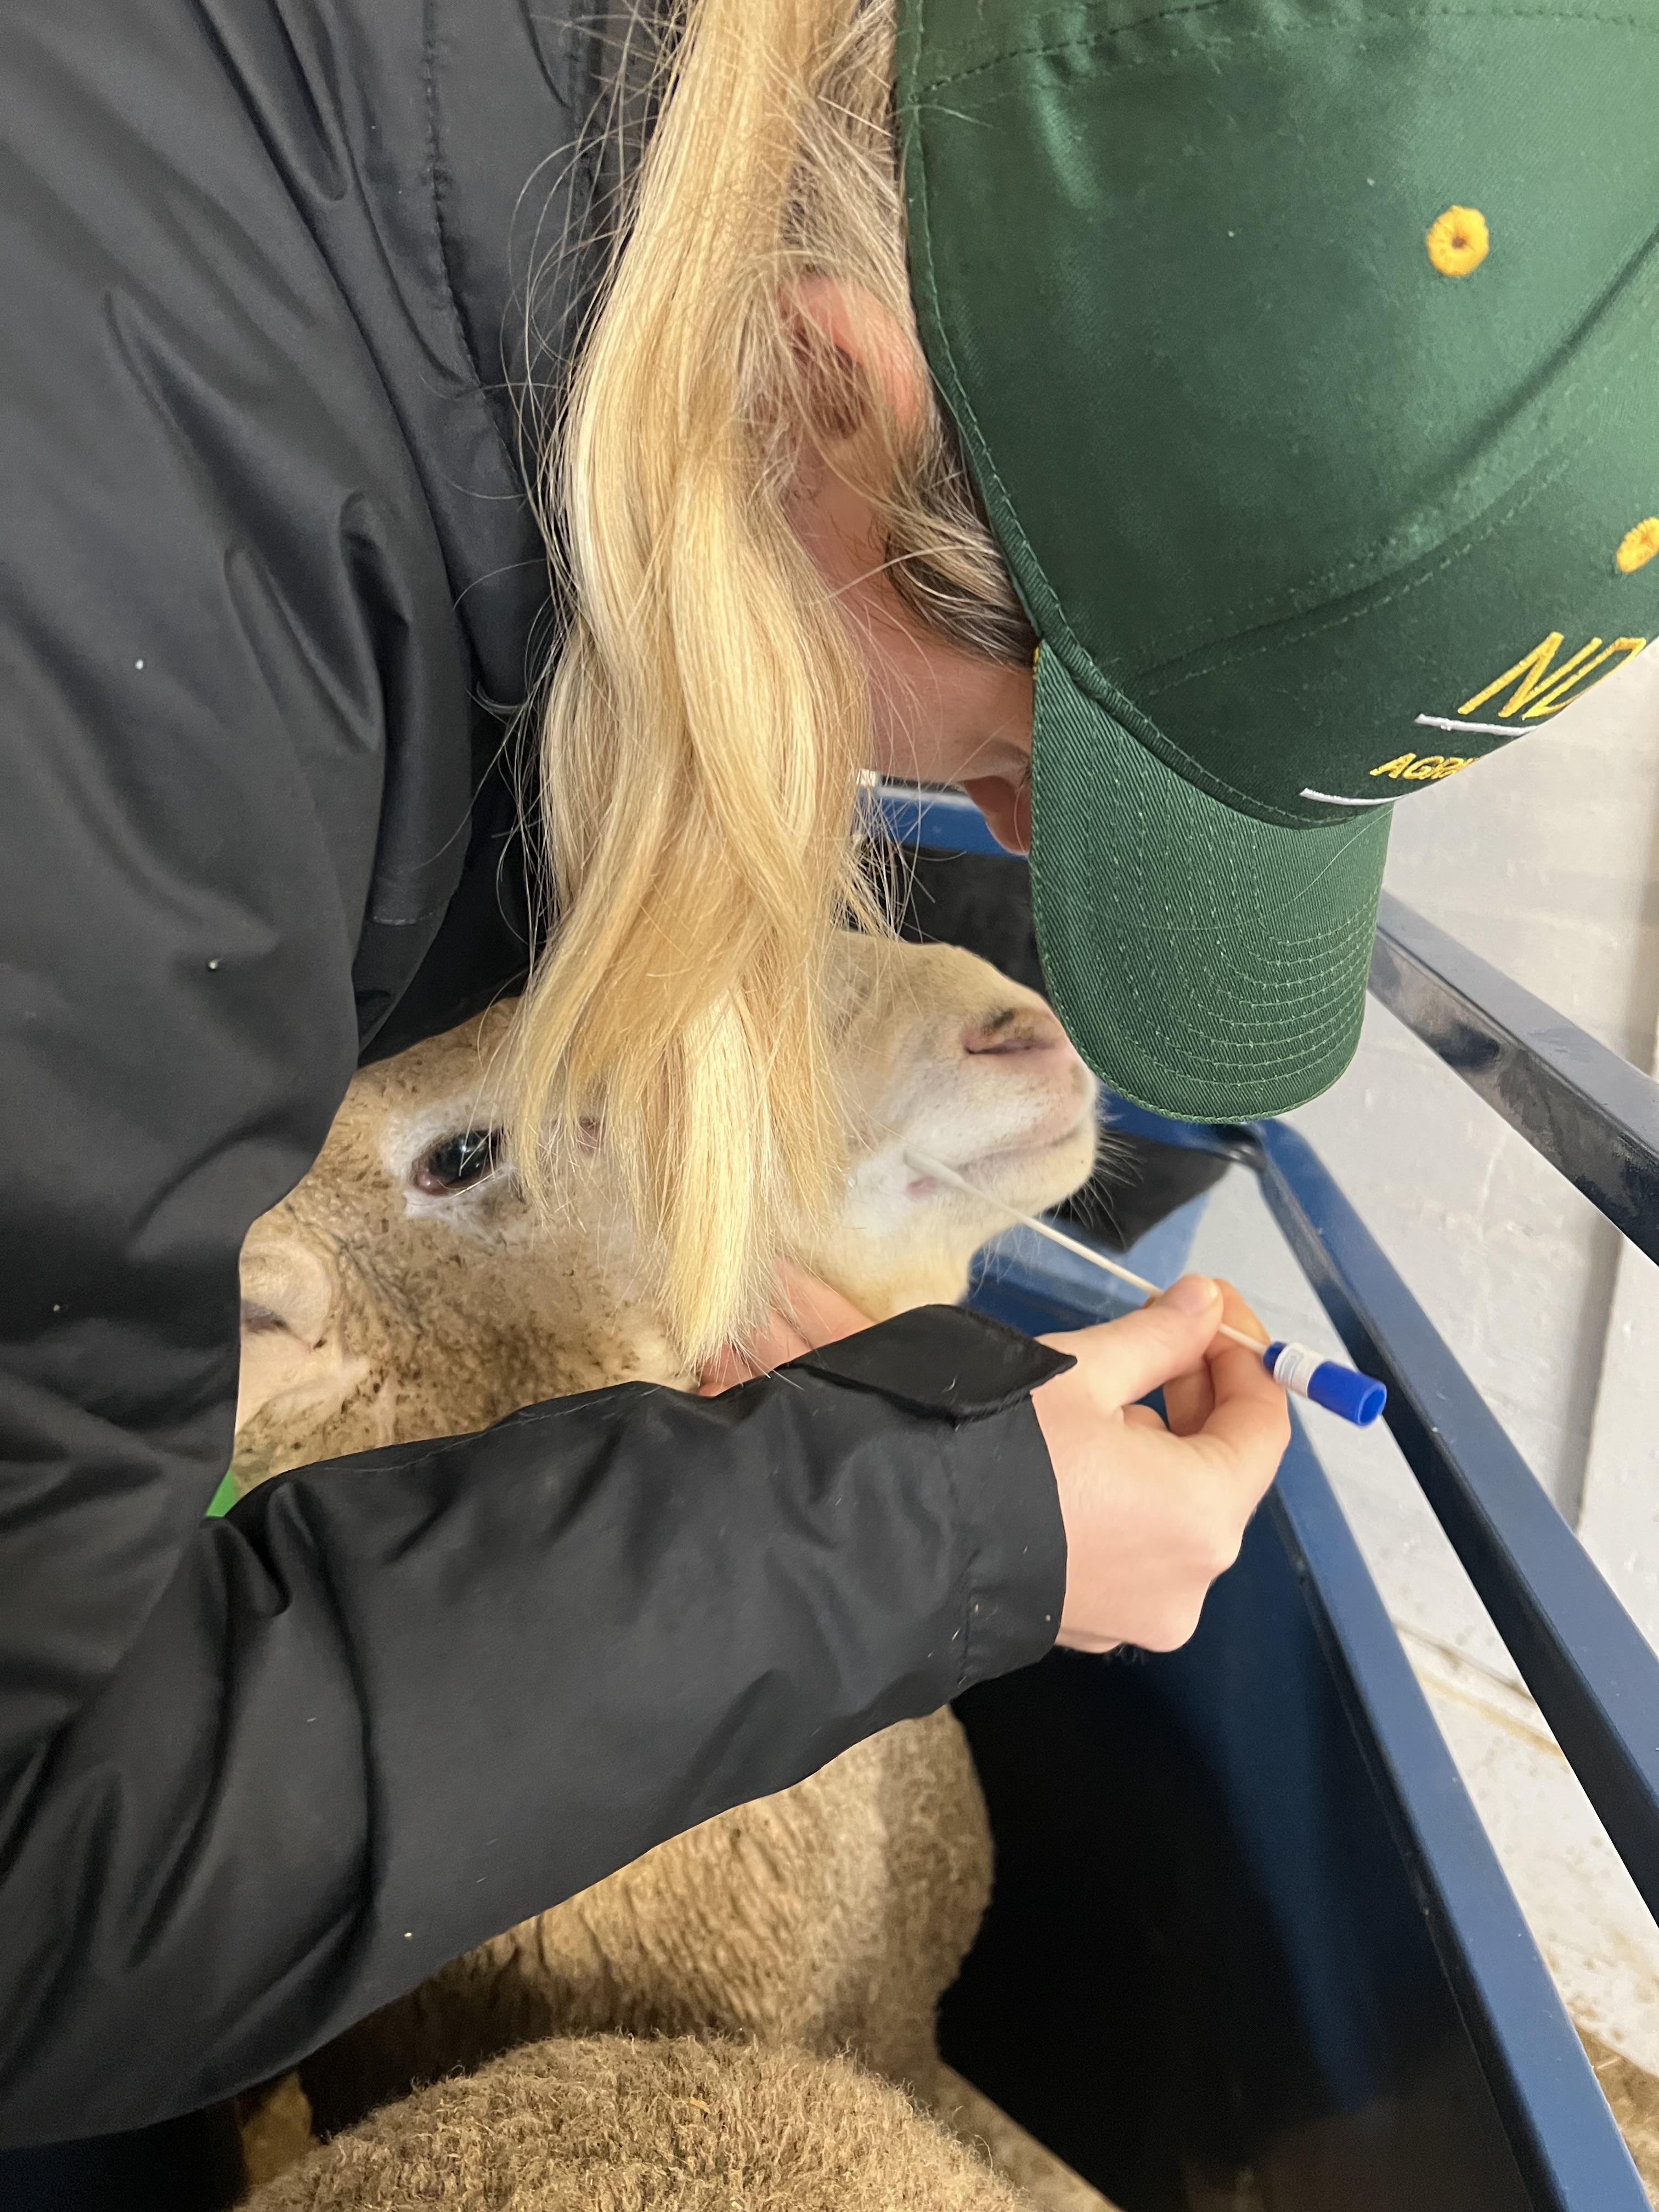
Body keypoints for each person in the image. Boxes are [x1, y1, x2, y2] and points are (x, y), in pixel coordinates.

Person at [2, 0, 1651, 2154]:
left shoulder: (485, 219)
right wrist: (927, 1529)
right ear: (816, 374)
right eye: (1037, 733)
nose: (1034, 847)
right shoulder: (116, 687)